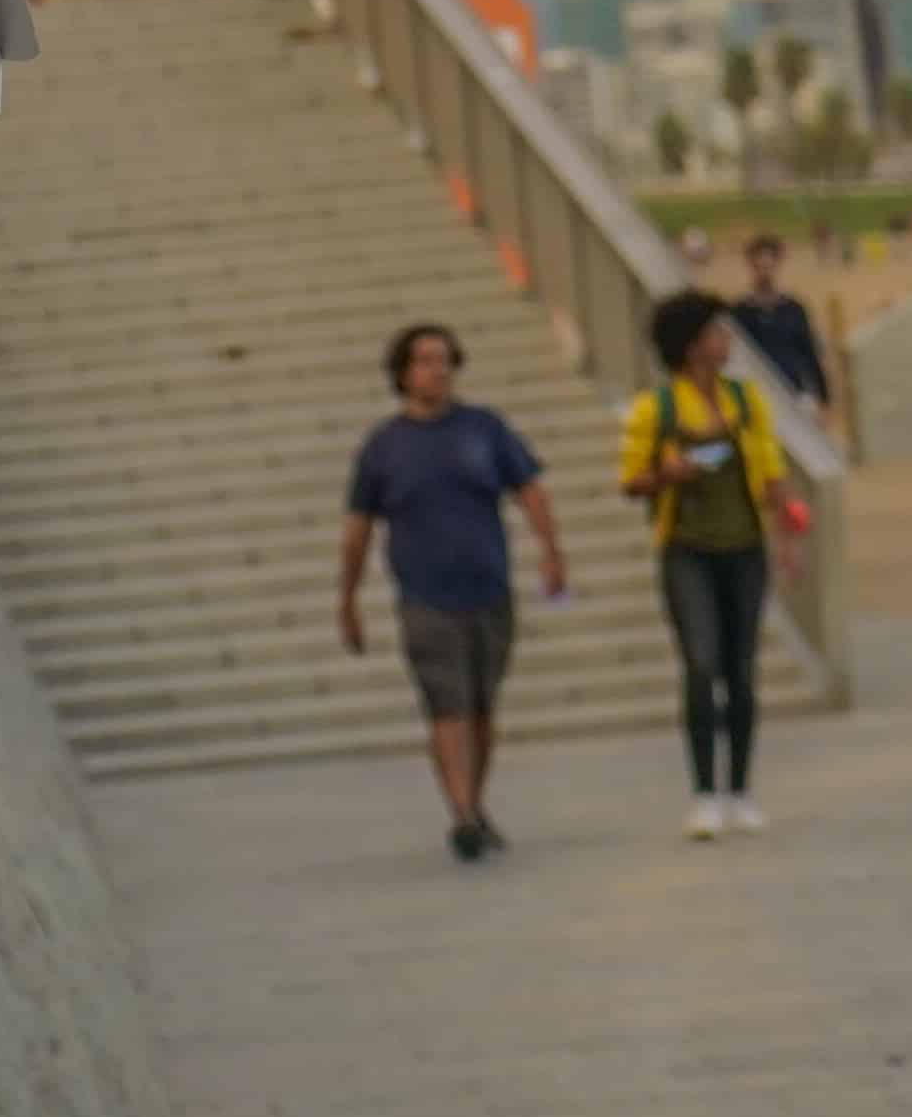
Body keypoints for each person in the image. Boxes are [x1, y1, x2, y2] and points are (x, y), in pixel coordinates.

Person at [337, 322, 570, 861]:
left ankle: (475, 803)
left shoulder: (484, 429)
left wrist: (551, 550)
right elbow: (357, 529)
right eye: (424, 361)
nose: (437, 371)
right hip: (424, 597)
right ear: (402, 372)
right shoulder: (383, 447)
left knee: (483, 709)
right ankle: (462, 814)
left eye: (445, 360)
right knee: (448, 705)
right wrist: (347, 600)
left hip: (488, 590)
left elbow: (530, 490)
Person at [621, 289, 815, 841]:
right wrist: (667, 474)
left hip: (744, 548)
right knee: (702, 665)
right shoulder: (655, 410)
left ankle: (741, 790)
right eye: (716, 334)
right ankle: (704, 793)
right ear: (690, 346)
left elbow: (772, 473)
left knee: (742, 671)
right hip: (687, 550)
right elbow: (630, 481)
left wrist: (787, 539)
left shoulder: (747, 402)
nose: (726, 342)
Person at [727, 230, 836, 440]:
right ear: (750, 265)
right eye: (758, 266)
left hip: (793, 393)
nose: (764, 272)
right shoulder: (739, 312)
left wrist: (823, 398)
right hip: (755, 397)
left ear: (777, 264)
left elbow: (809, 353)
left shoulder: (794, 308)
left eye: (768, 266)